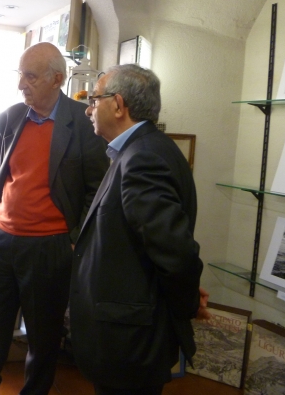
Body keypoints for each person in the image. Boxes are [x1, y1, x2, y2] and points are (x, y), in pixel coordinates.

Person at [0, 42, 109, 395]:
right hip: (0, 241)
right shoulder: (11, 117)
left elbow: (97, 190)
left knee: (43, 336)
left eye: (30, 77)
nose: (21, 85)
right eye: (21, 75)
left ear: (57, 79)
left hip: (50, 247)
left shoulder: (84, 121)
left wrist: (73, 240)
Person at [69, 64, 204, 395]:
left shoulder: (143, 158)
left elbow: (176, 254)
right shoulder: (141, 149)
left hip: (129, 341)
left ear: (118, 105)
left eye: (94, 99)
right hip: (127, 332)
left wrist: (187, 303)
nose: (88, 109)